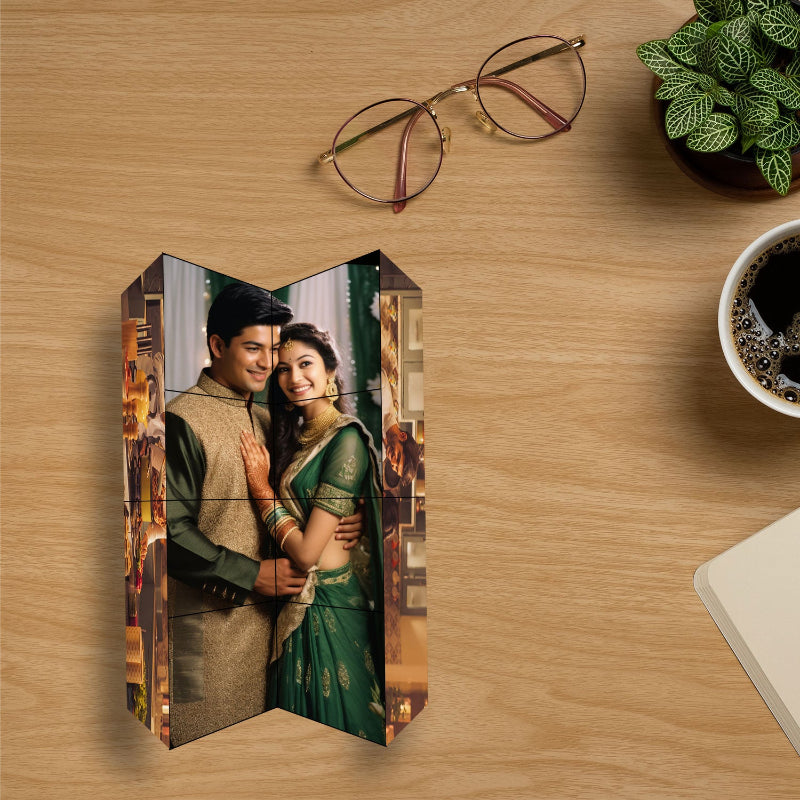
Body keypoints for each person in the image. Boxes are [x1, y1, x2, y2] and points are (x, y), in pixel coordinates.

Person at [165, 284, 363, 746]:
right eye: (253, 347)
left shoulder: (271, 418)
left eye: (274, 350)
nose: (266, 362)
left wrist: (345, 521)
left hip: (280, 634)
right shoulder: (181, 419)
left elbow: (307, 495)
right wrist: (253, 574)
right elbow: (167, 532)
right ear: (217, 345)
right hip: (208, 633)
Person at [239, 322, 385, 743]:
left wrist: (263, 492)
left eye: (305, 364)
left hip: (330, 600)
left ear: (330, 371)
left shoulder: (347, 440)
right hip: (296, 600)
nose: (294, 378)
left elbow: (305, 554)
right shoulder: (296, 435)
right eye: (282, 369)